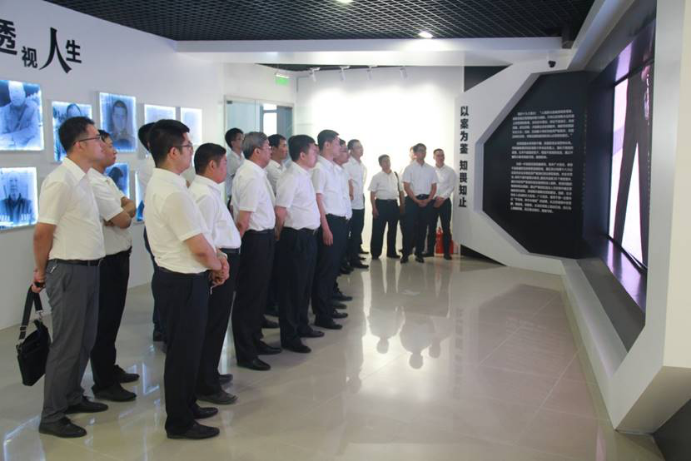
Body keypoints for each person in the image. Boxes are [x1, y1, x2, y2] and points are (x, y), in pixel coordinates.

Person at [145, 119, 229, 440]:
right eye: (188, 147)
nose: (191, 152)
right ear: (173, 152)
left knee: (189, 351)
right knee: (182, 354)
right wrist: (217, 265)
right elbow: (196, 245)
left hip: (181, 278)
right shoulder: (172, 192)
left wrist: (216, 257)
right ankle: (179, 422)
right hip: (182, 281)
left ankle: (188, 405)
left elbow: (199, 234)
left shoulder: (171, 185)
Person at [32, 116, 107, 439]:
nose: (102, 143)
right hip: (68, 270)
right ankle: (52, 415)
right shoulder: (60, 181)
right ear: (79, 145)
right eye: (96, 138)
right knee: (66, 345)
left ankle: (72, 395)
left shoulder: (83, 178)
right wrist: (41, 270)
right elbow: (42, 232)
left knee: (85, 339)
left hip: (89, 269)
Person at [87, 130, 140, 403]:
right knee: (104, 321)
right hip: (106, 261)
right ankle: (104, 381)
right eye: (108, 146)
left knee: (113, 319)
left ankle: (109, 368)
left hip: (119, 256)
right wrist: (120, 214)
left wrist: (121, 212)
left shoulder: (105, 179)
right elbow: (123, 219)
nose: (113, 150)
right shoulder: (92, 182)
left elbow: (129, 206)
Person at [189, 143, 241, 405]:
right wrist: (217, 266)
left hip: (223, 260)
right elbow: (205, 238)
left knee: (218, 323)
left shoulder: (208, 191)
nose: (226, 169)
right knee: (213, 324)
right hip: (218, 263)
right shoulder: (204, 195)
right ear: (212, 165)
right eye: (224, 164)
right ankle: (206, 384)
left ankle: (210, 372)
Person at [231, 131, 281, 372]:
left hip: (264, 238)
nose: (272, 150)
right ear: (257, 151)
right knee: (249, 297)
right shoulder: (250, 176)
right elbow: (243, 219)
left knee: (259, 295)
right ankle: (245, 352)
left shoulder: (258, 173)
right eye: (269, 146)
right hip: (254, 241)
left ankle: (255, 339)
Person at [275, 135, 325, 353]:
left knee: (304, 286)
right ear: (302, 155)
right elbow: (280, 212)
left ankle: (302, 325)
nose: (317, 154)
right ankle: (290, 336)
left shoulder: (305, 175)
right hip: (295, 238)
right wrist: (279, 236)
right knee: (292, 290)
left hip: (309, 237)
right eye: (314, 151)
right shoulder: (290, 177)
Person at [311, 130, 350, 331]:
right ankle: (322, 314)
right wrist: (325, 228)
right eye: (336, 143)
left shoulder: (333, 168)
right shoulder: (319, 169)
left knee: (333, 269)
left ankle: (328, 307)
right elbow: (318, 200)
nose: (340, 147)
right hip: (329, 223)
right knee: (325, 271)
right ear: (326, 145)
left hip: (339, 221)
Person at [136, 123, 166, 343]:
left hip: (162, 227)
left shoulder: (161, 167)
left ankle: (162, 323)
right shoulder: (150, 167)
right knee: (163, 277)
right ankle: (161, 325)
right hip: (158, 229)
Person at [263, 133, 288, 323]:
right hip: (273, 224)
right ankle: (270, 304)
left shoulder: (282, 167)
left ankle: (275, 302)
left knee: (278, 268)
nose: (286, 149)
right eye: (283, 146)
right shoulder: (270, 170)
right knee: (272, 269)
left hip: (279, 222)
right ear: (272, 149)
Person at [401, 143, 437, 264]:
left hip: (427, 200)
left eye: (425, 150)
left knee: (422, 228)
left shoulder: (431, 169)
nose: (423, 152)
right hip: (412, 200)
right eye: (421, 150)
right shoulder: (409, 168)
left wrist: (428, 199)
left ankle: (419, 253)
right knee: (408, 228)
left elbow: (434, 187)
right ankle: (405, 253)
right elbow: (406, 187)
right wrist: (416, 200)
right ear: (415, 153)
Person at [369, 155, 405, 260]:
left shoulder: (396, 175)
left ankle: (391, 252)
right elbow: (372, 193)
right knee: (378, 230)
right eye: (385, 161)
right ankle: (375, 253)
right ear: (380, 164)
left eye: (388, 161)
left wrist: (402, 205)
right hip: (381, 204)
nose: (387, 163)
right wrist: (374, 208)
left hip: (393, 205)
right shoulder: (376, 177)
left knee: (393, 229)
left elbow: (401, 191)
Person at [426, 149, 455, 260]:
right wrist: (434, 197)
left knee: (446, 227)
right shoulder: (430, 170)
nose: (441, 157)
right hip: (432, 201)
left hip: (445, 201)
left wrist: (442, 197)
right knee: (431, 227)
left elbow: (451, 186)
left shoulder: (450, 171)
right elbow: (427, 186)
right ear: (434, 157)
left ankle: (446, 252)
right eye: (438, 155)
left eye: (442, 155)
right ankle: (430, 251)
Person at [344, 139, 369, 269]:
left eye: (361, 146)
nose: (361, 149)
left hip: (360, 202)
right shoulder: (347, 164)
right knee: (349, 233)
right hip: (350, 204)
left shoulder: (361, 165)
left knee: (357, 232)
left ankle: (354, 256)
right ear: (351, 150)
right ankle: (349, 259)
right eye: (358, 147)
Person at [0, 81, 41, 150]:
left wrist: (12, 137)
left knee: (36, 140)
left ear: (23, 93)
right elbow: (2, 137)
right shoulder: (4, 111)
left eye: (16, 91)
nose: (14, 95)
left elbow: (33, 130)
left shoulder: (32, 106)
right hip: (11, 149)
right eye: (11, 92)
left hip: (29, 145)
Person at [224, 127, 244, 206]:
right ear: (233, 143)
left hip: (242, 197)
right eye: (240, 139)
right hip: (234, 199)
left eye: (243, 138)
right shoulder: (230, 159)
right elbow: (239, 178)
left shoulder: (243, 157)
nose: (243, 141)